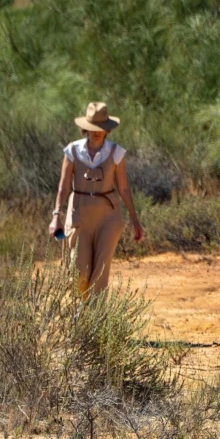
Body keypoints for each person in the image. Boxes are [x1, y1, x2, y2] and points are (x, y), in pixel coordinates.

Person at [49, 102, 143, 295]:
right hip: (79, 215)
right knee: (79, 273)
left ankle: (94, 319)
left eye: (101, 128)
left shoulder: (116, 152)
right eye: (93, 128)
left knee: (100, 272)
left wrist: (135, 221)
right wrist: (56, 215)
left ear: (107, 130)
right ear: (85, 128)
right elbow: (64, 186)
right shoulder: (73, 151)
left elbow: (123, 188)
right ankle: (81, 317)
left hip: (108, 217)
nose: (97, 132)